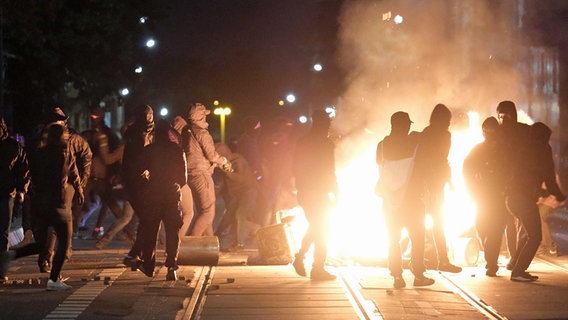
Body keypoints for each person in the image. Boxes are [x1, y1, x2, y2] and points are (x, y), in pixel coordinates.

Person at [0, 123, 84, 290]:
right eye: (65, 134)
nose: (67, 136)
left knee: (42, 244)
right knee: (64, 243)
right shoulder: (63, 153)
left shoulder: (40, 153)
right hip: (57, 205)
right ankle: (54, 280)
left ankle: (12, 254)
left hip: (41, 204)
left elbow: (31, 174)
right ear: (61, 137)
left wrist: (29, 193)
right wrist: (73, 195)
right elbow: (65, 177)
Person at [376, 111, 434, 289]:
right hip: (412, 199)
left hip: (390, 199)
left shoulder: (382, 145)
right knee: (417, 237)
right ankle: (418, 274)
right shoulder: (414, 143)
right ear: (406, 125)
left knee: (392, 238)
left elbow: (380, 166)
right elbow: (424, 168)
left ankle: (397, 276)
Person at [506, 122, 565, 282]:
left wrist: (542, 191)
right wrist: (559, 195)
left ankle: (514, 264)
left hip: (512, 198)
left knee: (527, 232)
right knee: (535, 236)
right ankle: (518, 271)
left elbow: (525, 175)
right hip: (524, 199)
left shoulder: (523, 149)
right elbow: (548, 177)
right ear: (544, 138)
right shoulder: (542, 150)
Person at [40, 107, 92, 273]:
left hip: (66, 186)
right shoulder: (43, 137)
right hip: (48, 186)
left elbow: (85, 157)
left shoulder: (72, 138)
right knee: (54, 223)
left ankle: (60, 254)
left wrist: (81, 183)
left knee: (62, 219)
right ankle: (48, 258)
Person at [134, 119, 186, 280]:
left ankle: (148, 266)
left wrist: (147, 181)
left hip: (154, 195)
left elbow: (138, 171)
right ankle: (171, 266)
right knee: (172, 233)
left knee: (151, 232)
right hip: (172, 195)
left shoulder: (149, 150)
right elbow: (183, 179)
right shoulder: (178, 151)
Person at [291, 110, 338, 281]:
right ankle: (317, 267)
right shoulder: (326, 144)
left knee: (317, 226)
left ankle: (301, 258)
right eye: (327, 124)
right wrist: (336, 191)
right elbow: (329, 170)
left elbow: (295, 167)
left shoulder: (302, 142)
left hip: (305, 192)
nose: (328, 127)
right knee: (321, 228)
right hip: (319, 192)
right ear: (322, 124)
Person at [417, 104, 462, 273]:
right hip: (432, 185)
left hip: (429, 184)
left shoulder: (426, 134)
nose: (449, 124)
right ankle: (439, 259)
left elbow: (442, 159)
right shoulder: (441, 135)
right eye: (447, 120)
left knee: (429, 222)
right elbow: (441, 159)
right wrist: (447, 180)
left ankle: (432, 259)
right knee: (435, 223)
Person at [463, 117, 509, 276]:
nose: (489, 135)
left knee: (494, 230)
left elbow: (510, 172)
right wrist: (472, 192)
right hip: (482, 197)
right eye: (487, 132)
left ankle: (491, 263)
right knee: (483, 228)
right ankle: (490, 259)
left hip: (496, 197)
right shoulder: (478, 150)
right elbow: (467, 172)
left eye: (492, 132)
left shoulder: (503, 151)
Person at [181, 103, 229, 237]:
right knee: (208, 212)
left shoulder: (186, 131)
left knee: (204, 211)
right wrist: (223, 161)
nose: (205, 118)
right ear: (200, 116)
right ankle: (190, 245)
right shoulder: (202, 132)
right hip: (201, 174)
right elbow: (212, 155)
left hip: (189, 174)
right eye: (204, 115)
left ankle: (208, 245)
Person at [496, 100, 530, 269]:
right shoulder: (498, 134)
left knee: (523, 224)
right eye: (500, 116)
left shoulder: (524, 132)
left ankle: (516, 257)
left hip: (521, 185)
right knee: (509, 223)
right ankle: (514, 258)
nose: (504, 119)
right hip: (505, 186)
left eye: (506, 115)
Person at [121, 105, 155, 268]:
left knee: (146, 219)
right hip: (138, 183)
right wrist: (147, 172)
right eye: (148, 115)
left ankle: (138, 253)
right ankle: (133, 254)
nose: (150, 118)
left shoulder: (137, 132)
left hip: (134, 183)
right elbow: (142, 159)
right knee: (149, 219)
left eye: (151, 115)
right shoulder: (140, 135)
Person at [214, 142, 261, 251]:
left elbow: (240, 178)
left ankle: (245, 239)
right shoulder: (225, 165)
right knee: (228, 216)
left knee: (240, 215)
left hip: (248, 191)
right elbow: (222, 183)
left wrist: (227, 171)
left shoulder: (238, 161)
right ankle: (216, 236)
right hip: (237, 194)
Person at [0, 116, 30, 282]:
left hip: (6, 194)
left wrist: (21, 190)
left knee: (3, 231)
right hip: (7, 193)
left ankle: (1, 268)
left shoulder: (13, 147)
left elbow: (23, 169)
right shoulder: (13, 147)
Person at [537, 180, 562, 256]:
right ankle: (544, 245)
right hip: (547, 198)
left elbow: (548, 188)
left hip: (552, 199)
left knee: (541, 216)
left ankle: (548, 245)